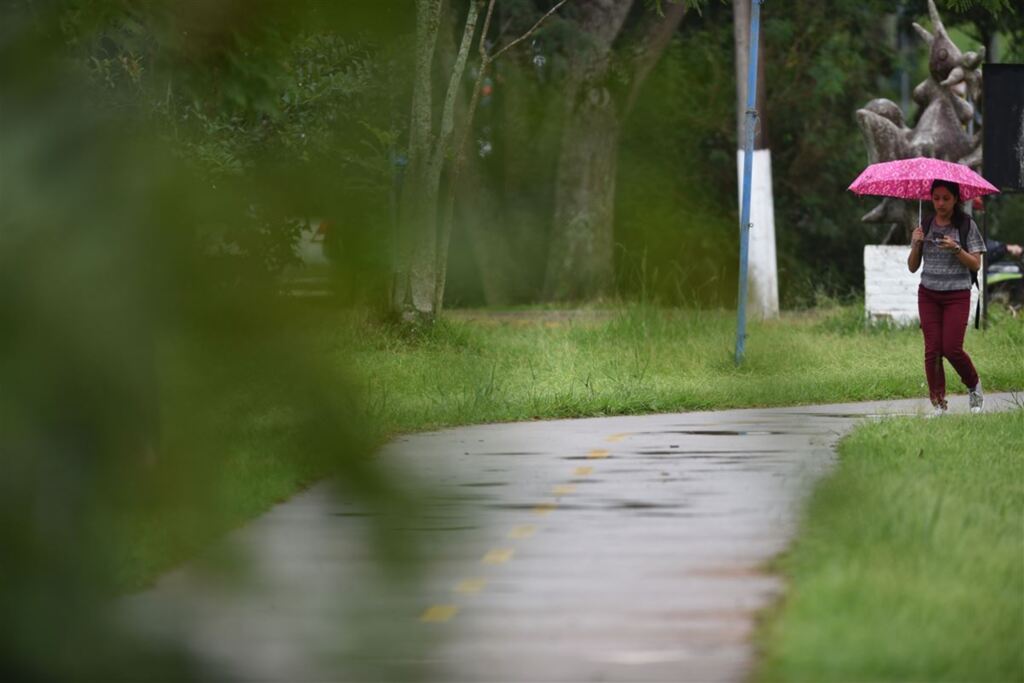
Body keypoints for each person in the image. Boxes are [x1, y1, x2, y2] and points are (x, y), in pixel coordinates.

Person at [908, 179, 986, 416]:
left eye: (946, 198)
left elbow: (976, 263)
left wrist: (955, 248)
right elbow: (912, 267)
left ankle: (973, 385)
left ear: (956, 199)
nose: (940, 203)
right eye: (936, 198)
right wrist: (915, 245)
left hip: (957, 295)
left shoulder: (966, 225)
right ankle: (938, 404)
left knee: (951, 348)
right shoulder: (926, 224)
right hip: (928, 294)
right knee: (932, 350)